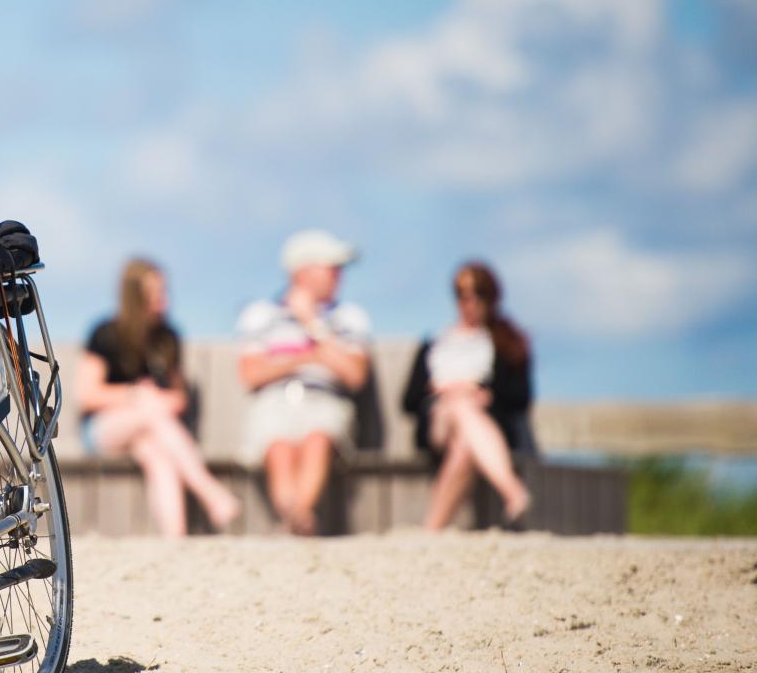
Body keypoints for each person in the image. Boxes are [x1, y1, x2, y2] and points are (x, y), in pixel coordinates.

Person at [77, 258, 241, 537]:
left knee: (155, 454)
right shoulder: (106, 333)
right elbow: (88, 395)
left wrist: (155, 400)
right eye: (154, 293)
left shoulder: (168, 337)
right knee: (149, 409)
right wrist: (135, 395)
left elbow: (179, 398)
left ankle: (174, 540)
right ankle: (211, 492)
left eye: (164, 292)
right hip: (103, 430)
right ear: (134, 296)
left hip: (152, 431)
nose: (163, 300)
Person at [236, 230, 370, 536]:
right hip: (274, 401)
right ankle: (299, 519)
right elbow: (250, 375)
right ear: (303, 271)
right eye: (332, 267)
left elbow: (355, 375)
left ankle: (295, 519)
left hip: (326, 401)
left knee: (318, 439)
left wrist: (312, 323)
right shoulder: (261, 314)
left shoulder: (349, 316)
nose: (340, 275)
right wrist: (309, 358)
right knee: (279, 446)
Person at [401, 261, 534, 530]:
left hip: (481, 424)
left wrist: (486, 394)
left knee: (464, 446)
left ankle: (431, 529)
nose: (471, 303)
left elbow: (520, 396)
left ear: (491, 297)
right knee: (459, 405)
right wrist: (445, 391)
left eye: (479, 295)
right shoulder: (434, 343)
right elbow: (409, 400)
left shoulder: (506, 341)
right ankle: (512, 490)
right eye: (463, 295)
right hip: (438, 422)